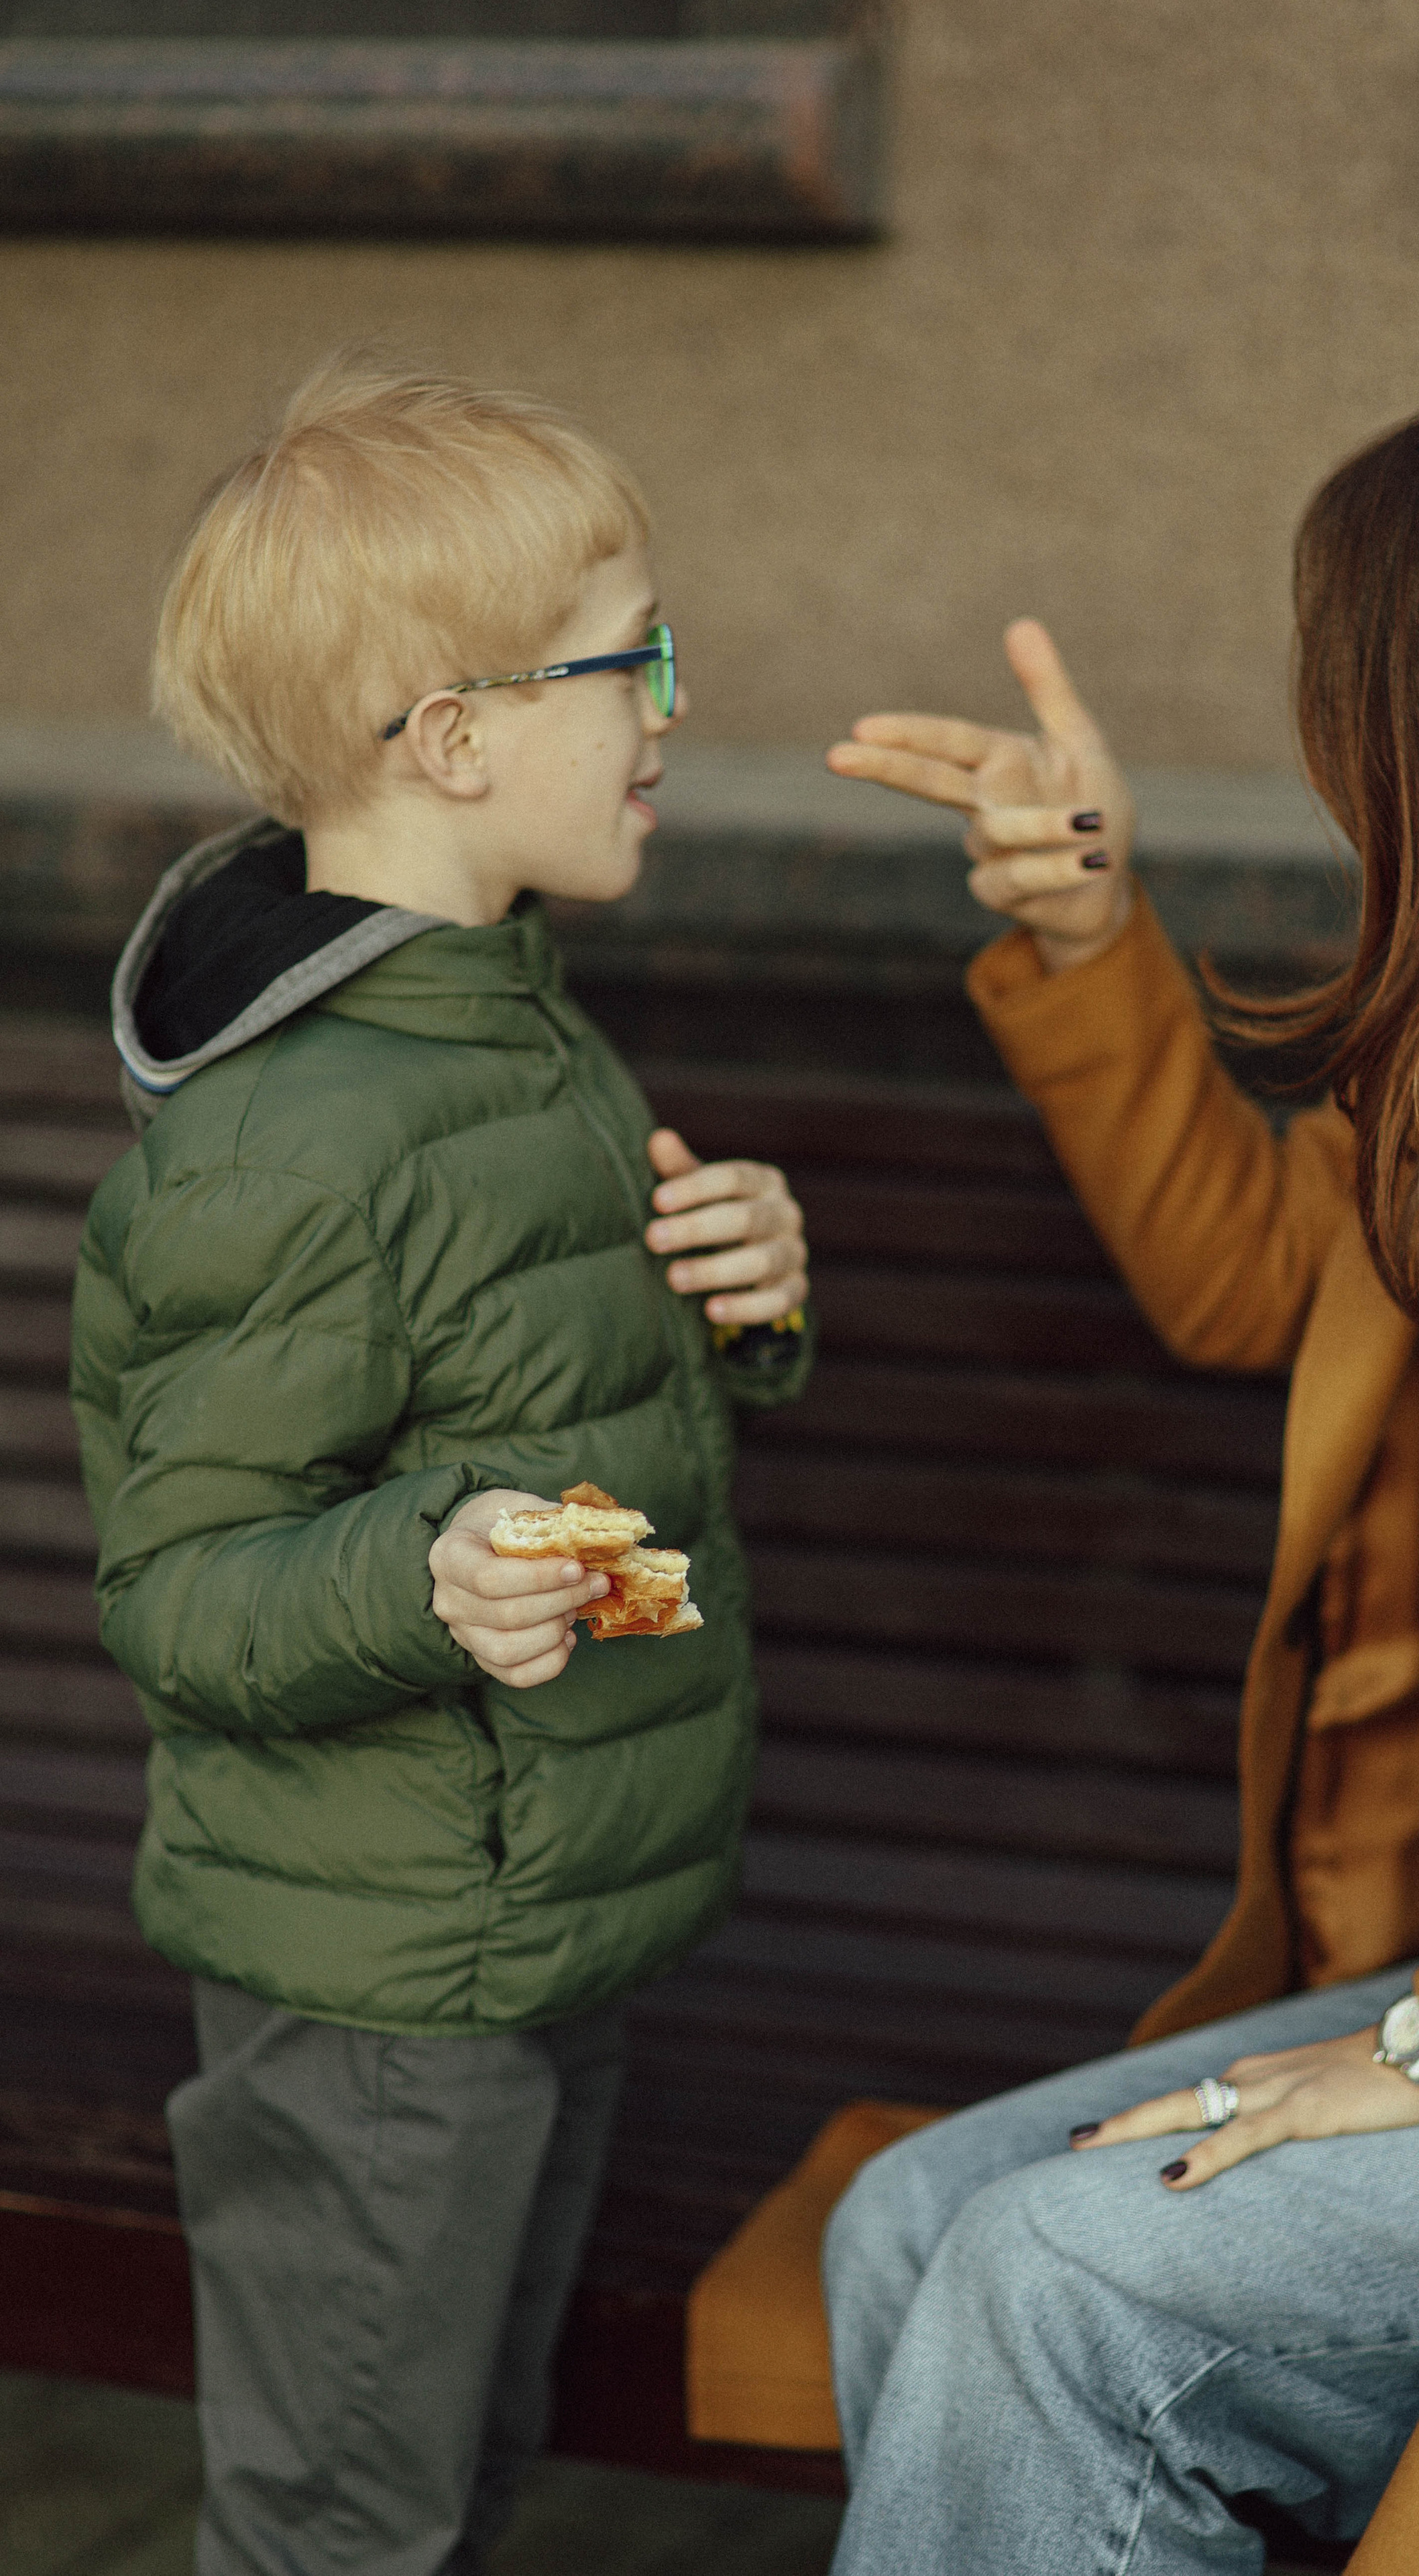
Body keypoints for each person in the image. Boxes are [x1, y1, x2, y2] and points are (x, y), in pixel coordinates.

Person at [817, 359, 1419, 2575]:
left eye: (1360, 704)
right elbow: (1250, 1284)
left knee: (1053, 2282)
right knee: (908, 2219)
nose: (1336, 759)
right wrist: (1084, 935)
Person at [68, 356, 812, 2576]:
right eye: (633, 660)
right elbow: (182, 1593)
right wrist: (422, 1572)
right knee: (341, 2527)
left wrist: (745, 1296)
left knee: (449, 2490)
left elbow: (548, 1388)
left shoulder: (507, 1024)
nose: (673, 705)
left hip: (530, 1929)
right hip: (381, 1981)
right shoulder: (295, 1138)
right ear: (457, 736)